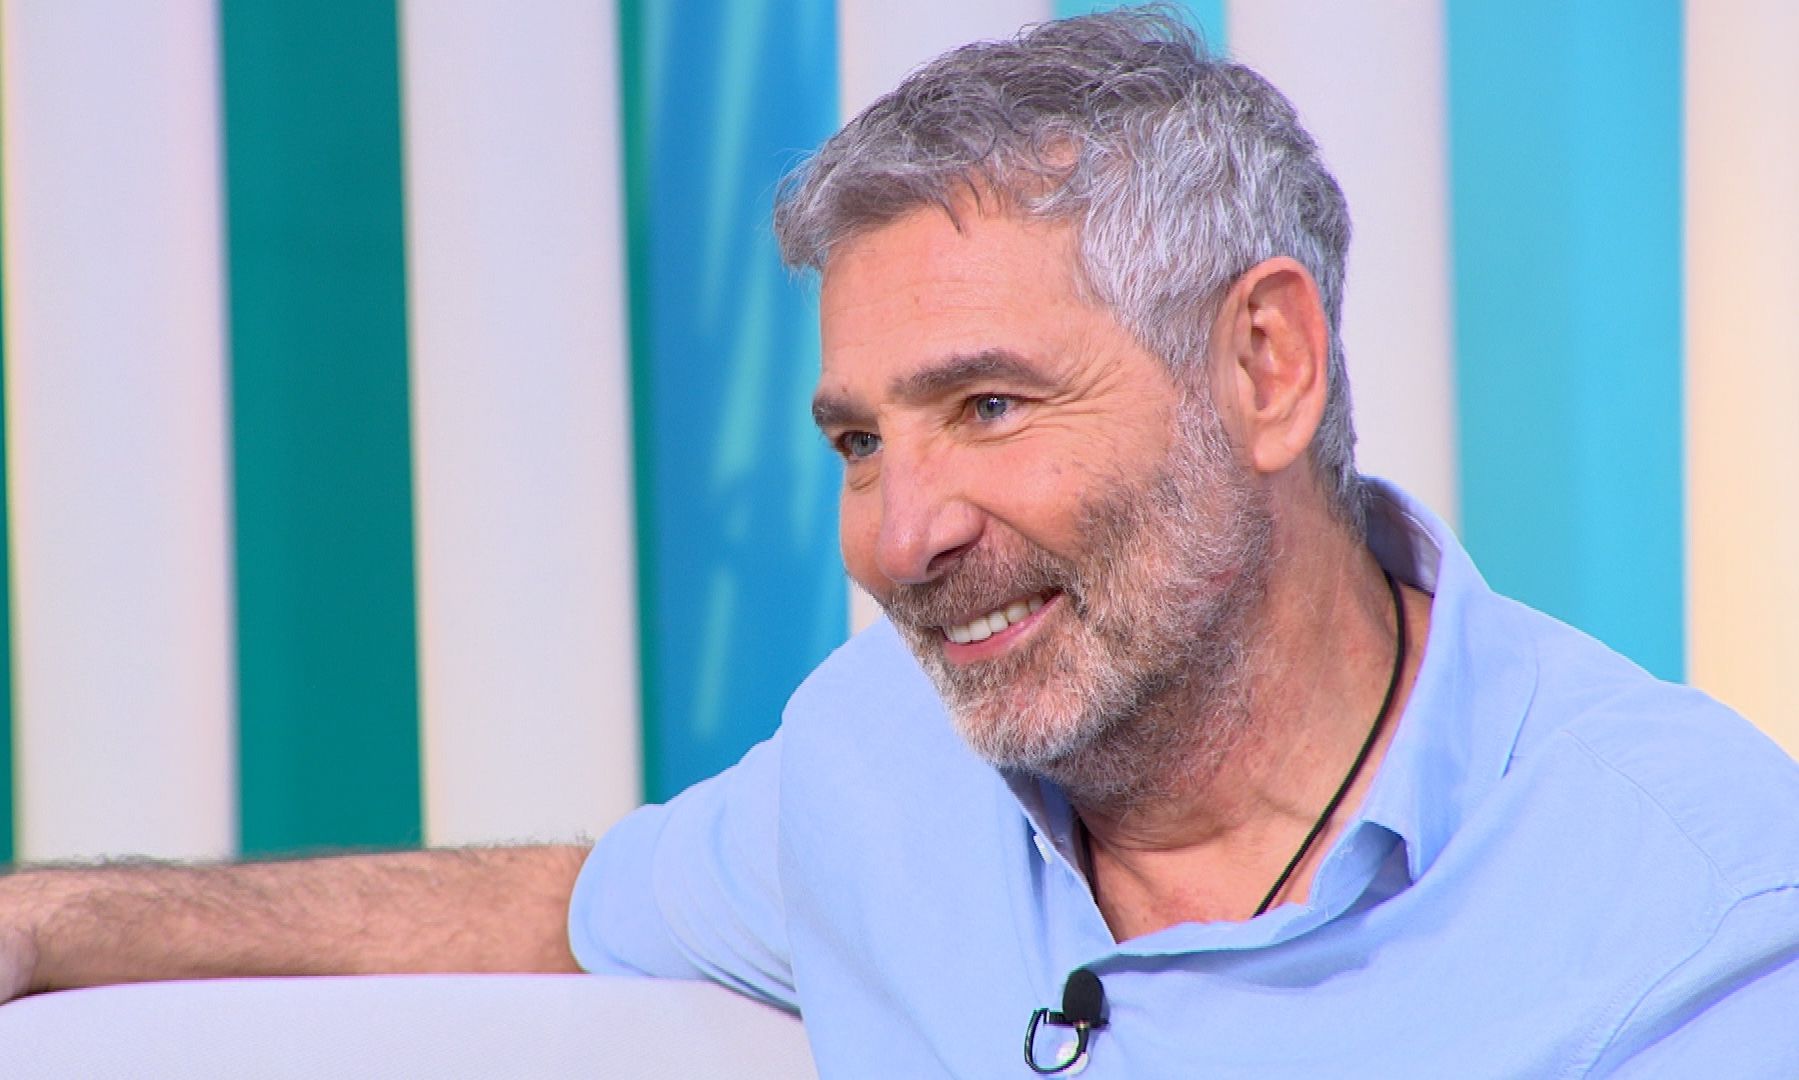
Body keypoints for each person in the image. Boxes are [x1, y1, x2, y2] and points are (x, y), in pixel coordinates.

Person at [4, 10, 1797, 1076]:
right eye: (860, 441)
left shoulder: (1703, 907)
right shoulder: (876, 765)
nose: (902, 534)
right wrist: (57, 922)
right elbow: (568, 903)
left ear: (1266, 364)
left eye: (990, 407)